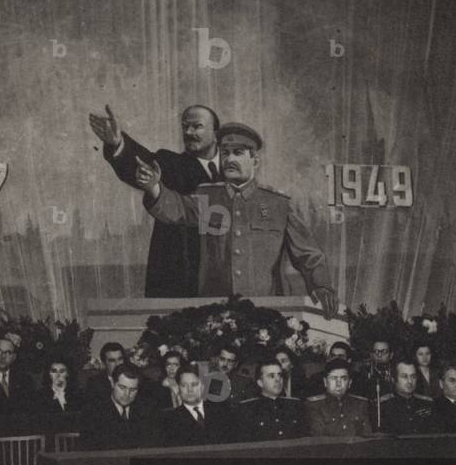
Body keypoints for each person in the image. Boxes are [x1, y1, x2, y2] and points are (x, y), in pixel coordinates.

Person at [133, 122, 337, 318]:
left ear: (255, 160)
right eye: (224, 153)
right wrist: (153, 187)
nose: (229, 159)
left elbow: (309, 255)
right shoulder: (207, 197)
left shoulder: (279, 204)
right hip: (213, 312)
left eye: (238, 153)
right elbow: (175, 208)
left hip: (266, 313)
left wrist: (321, 286)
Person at [90, 105, 220, 297]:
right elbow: (141, 165)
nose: (188, 132)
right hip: (179, 277)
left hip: (221, 280)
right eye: (185, 127)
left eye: (196, 126)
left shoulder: (234, 168)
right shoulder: (169, 163)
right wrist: (118, 144)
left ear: (216, 132)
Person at [81, 364, 158, 450]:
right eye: (122, 387)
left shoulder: (148, 409)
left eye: (132, 390)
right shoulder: (94, 412)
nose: (127, 394)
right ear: (112, 383)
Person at [236, 360, 308, 441]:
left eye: (279, 375)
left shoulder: (296, 405)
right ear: (260, 383)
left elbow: (305, 440)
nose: (278, 380)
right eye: (271, 376)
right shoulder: (247, 408)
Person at [161, 364, 232, 446]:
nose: (189, 390)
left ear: (203, 386)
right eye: (184, 385)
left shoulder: (221, 410)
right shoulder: (170, 420)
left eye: (194, 384)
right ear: (178, 388)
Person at [306, 358, 373, 437]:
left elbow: (367, 438)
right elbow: (318, 438)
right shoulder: (314, 405)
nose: (338, 383)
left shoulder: (360, 404)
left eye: (343, 378)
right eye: (334, 378)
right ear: (325, 382)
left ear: (350, 383)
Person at [378, 359, 438, 435]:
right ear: (394, 379)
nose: (410, 381)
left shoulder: (427, 403)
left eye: (413, 376)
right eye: (404, 376)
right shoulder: (382, 405)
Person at [83, 342, 126, 407]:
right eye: (112, 360)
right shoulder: (94, 383)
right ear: (104, 363)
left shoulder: (136, 379)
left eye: (120, 359)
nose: (117, 364)